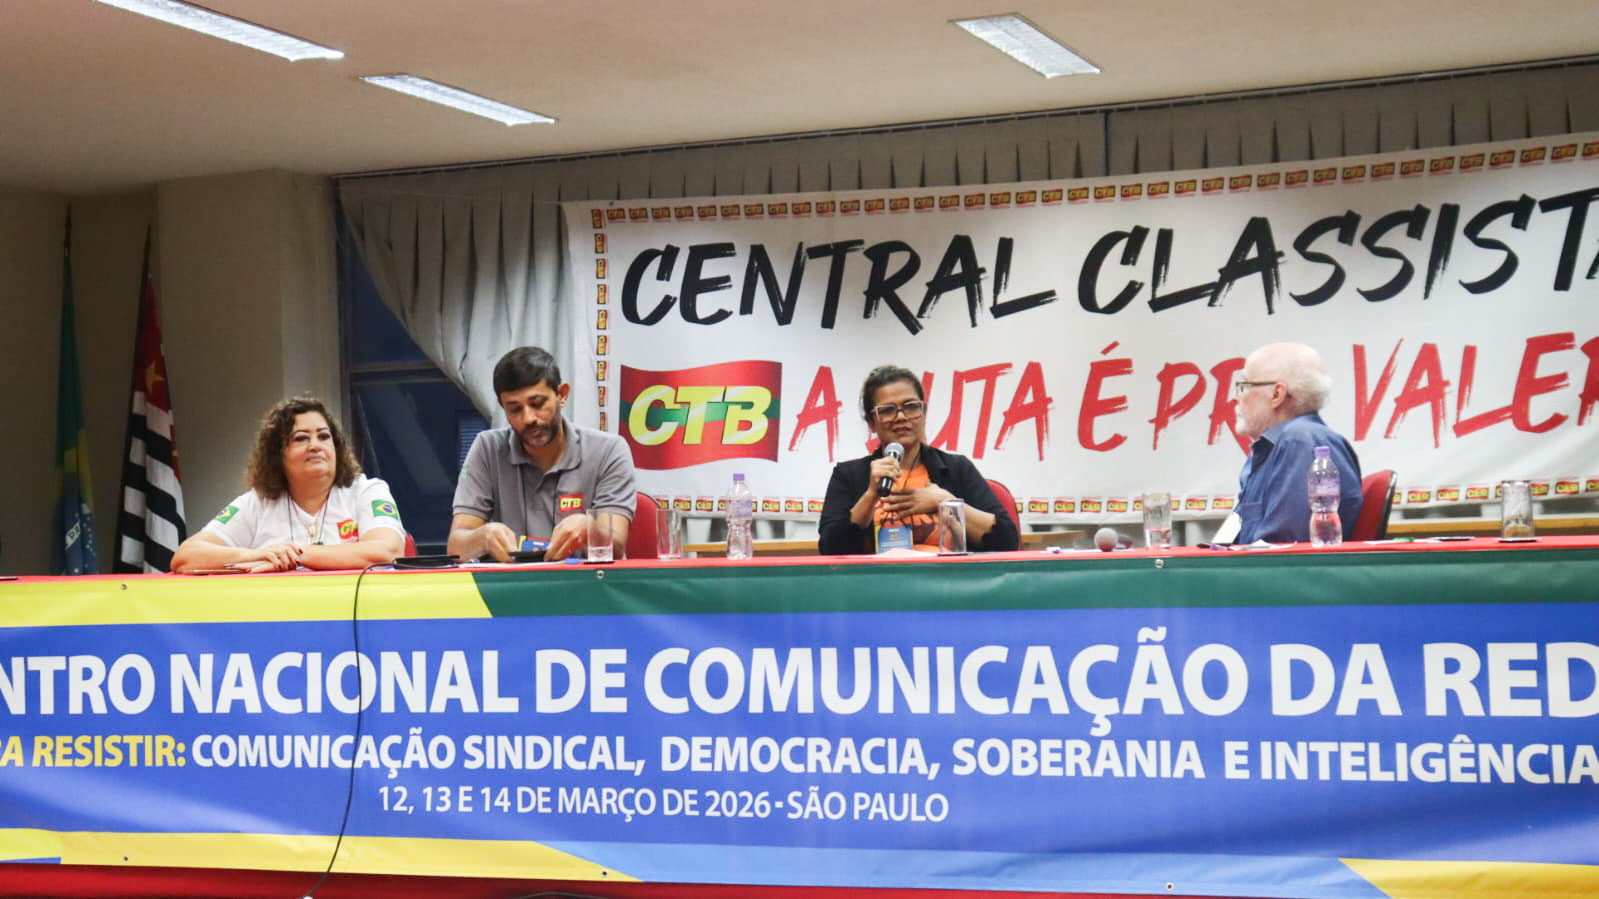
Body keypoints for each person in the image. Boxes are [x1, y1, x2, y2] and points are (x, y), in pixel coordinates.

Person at [170, 397, 406, 573]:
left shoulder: (366, 491)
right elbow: (186, 557)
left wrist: (295, 555)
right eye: (301, 438)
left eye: (324, 436)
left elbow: (388, 551)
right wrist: (257, 555)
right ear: (278, 455)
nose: (315, 445)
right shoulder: (257, 503)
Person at [449, 346, 637, 562]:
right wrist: (483, 537)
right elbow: (456, 546)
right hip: (512, 580)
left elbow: (617, 545)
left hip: (586, 580)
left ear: (562, 394)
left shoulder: (608, 450)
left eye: (537, 404)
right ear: (502, 407)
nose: (528, 418)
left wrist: (589, 529)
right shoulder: (487, 448)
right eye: (515, 409)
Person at [819, 365, 1018, 555]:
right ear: (871, 422)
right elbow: (830, 549)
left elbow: (1007, 540)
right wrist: (870, 495)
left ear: (923, 413)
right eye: (887, 410)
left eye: (911, 407)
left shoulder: (957, 468)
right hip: (878, 578)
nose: (901, 417)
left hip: (945, 577)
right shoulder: (849, 475)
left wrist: (945, 502)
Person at [1224, 342, 1362, 544]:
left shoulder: (1300, 442)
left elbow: (1283, 546)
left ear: (1276, 394)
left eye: (1244, 386)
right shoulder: (1275, 447)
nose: (1233, 397)